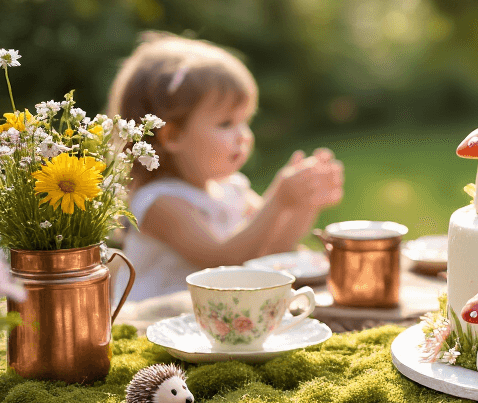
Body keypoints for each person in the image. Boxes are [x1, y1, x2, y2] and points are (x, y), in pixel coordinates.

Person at [108, 33, 343, 301]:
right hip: (154, 319)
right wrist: (278, 199)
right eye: (226, 124)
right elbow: (224, 262)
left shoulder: (232, 188)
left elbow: (273, 251)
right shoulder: (159, 202)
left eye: (246, 121)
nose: (244, 136)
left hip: (209, 317)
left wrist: (303, 203)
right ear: (172, 135)